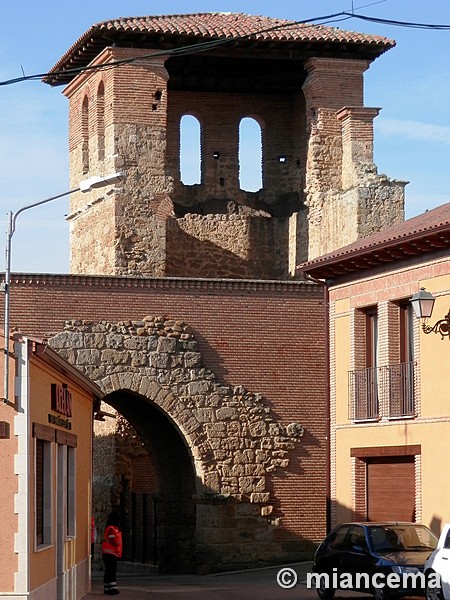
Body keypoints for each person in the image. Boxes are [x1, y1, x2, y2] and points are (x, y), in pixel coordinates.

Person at [101, 511, 123, 595]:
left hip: (109, 552)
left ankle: (107, 587)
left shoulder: (111, 527)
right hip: (111, 552)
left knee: (109, 570)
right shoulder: (112, 528)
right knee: (112, 570)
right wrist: (117, 545)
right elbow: (113, 539)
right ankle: (112, 587)